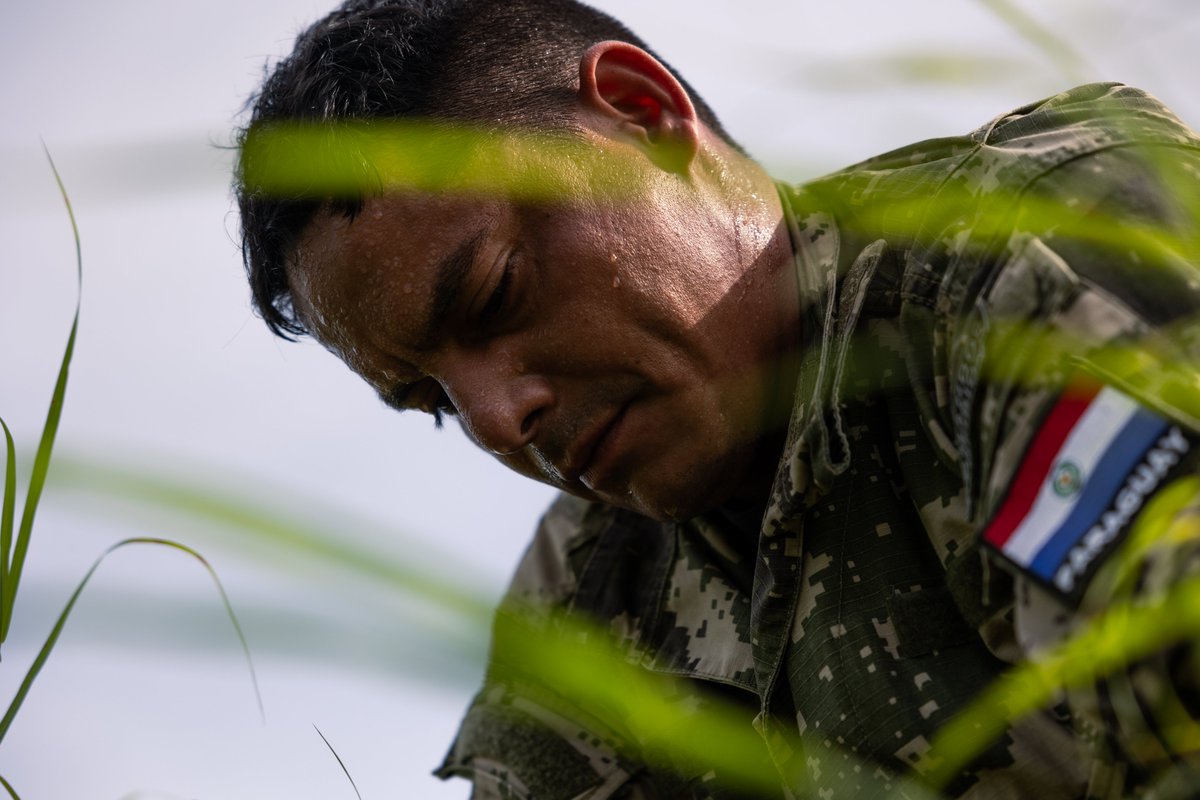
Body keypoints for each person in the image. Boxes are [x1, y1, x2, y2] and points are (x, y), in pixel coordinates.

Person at [234, 0, 1200, 797]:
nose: (496, 421)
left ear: (644, 114)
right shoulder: (579, 597)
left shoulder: (1018, 257)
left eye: (496, 293)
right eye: (433, 400)